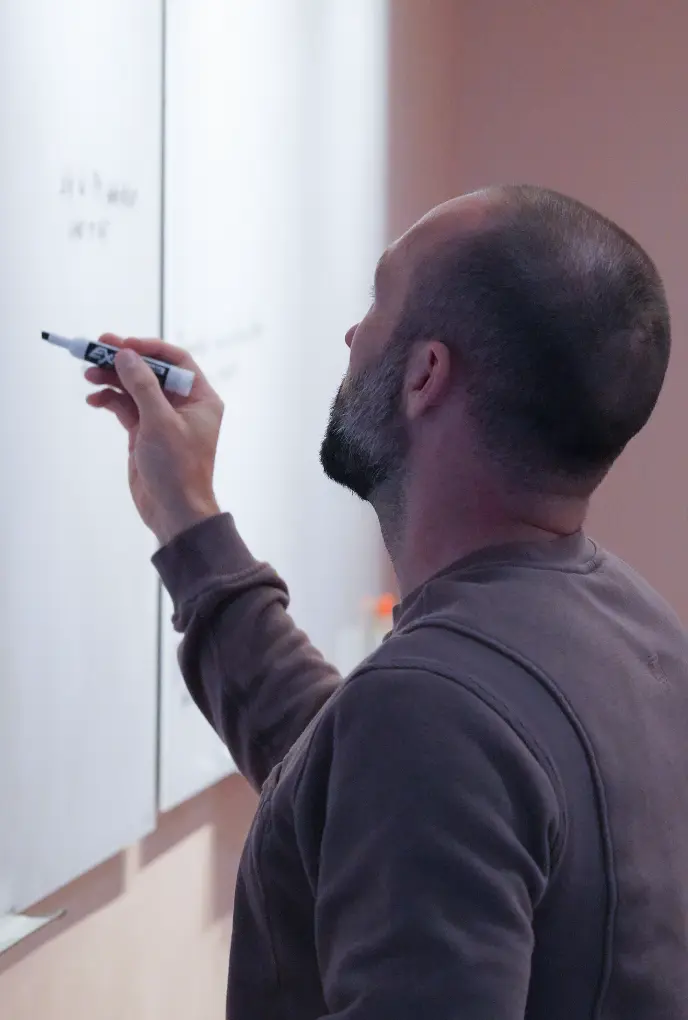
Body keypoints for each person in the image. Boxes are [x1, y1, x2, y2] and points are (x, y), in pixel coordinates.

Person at [86, 185, 688, 1019]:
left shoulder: (434, 712)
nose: (351, 334)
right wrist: (186, 517)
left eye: (377, 301)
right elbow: (359, 775)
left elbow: (412, 750)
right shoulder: (640, 633)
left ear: (425, 374)